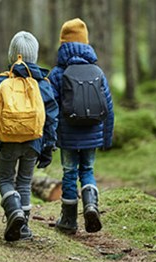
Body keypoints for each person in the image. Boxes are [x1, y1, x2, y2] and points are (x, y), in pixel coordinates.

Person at [0, 31, 59, 241]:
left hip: (7, 140)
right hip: (34, 141)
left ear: (11, 55)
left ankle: (13, 211)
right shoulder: (42, 84)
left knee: (5, 180)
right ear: (33, 56)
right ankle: (23, 227)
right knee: (24, 183)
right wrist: (48, 147)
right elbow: (51, 118)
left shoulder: (0, 83)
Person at [48, 18, 114, 234]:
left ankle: (68, 220)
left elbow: (51, 107)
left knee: (69, 173)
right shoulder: (97, 71)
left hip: (67, 135)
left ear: (63, 43)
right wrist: (106, 138)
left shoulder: (57, 73)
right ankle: (91, 206)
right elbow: (108, 107)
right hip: (92, 132)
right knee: (87, 170)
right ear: (86, 43)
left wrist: (50, 137)